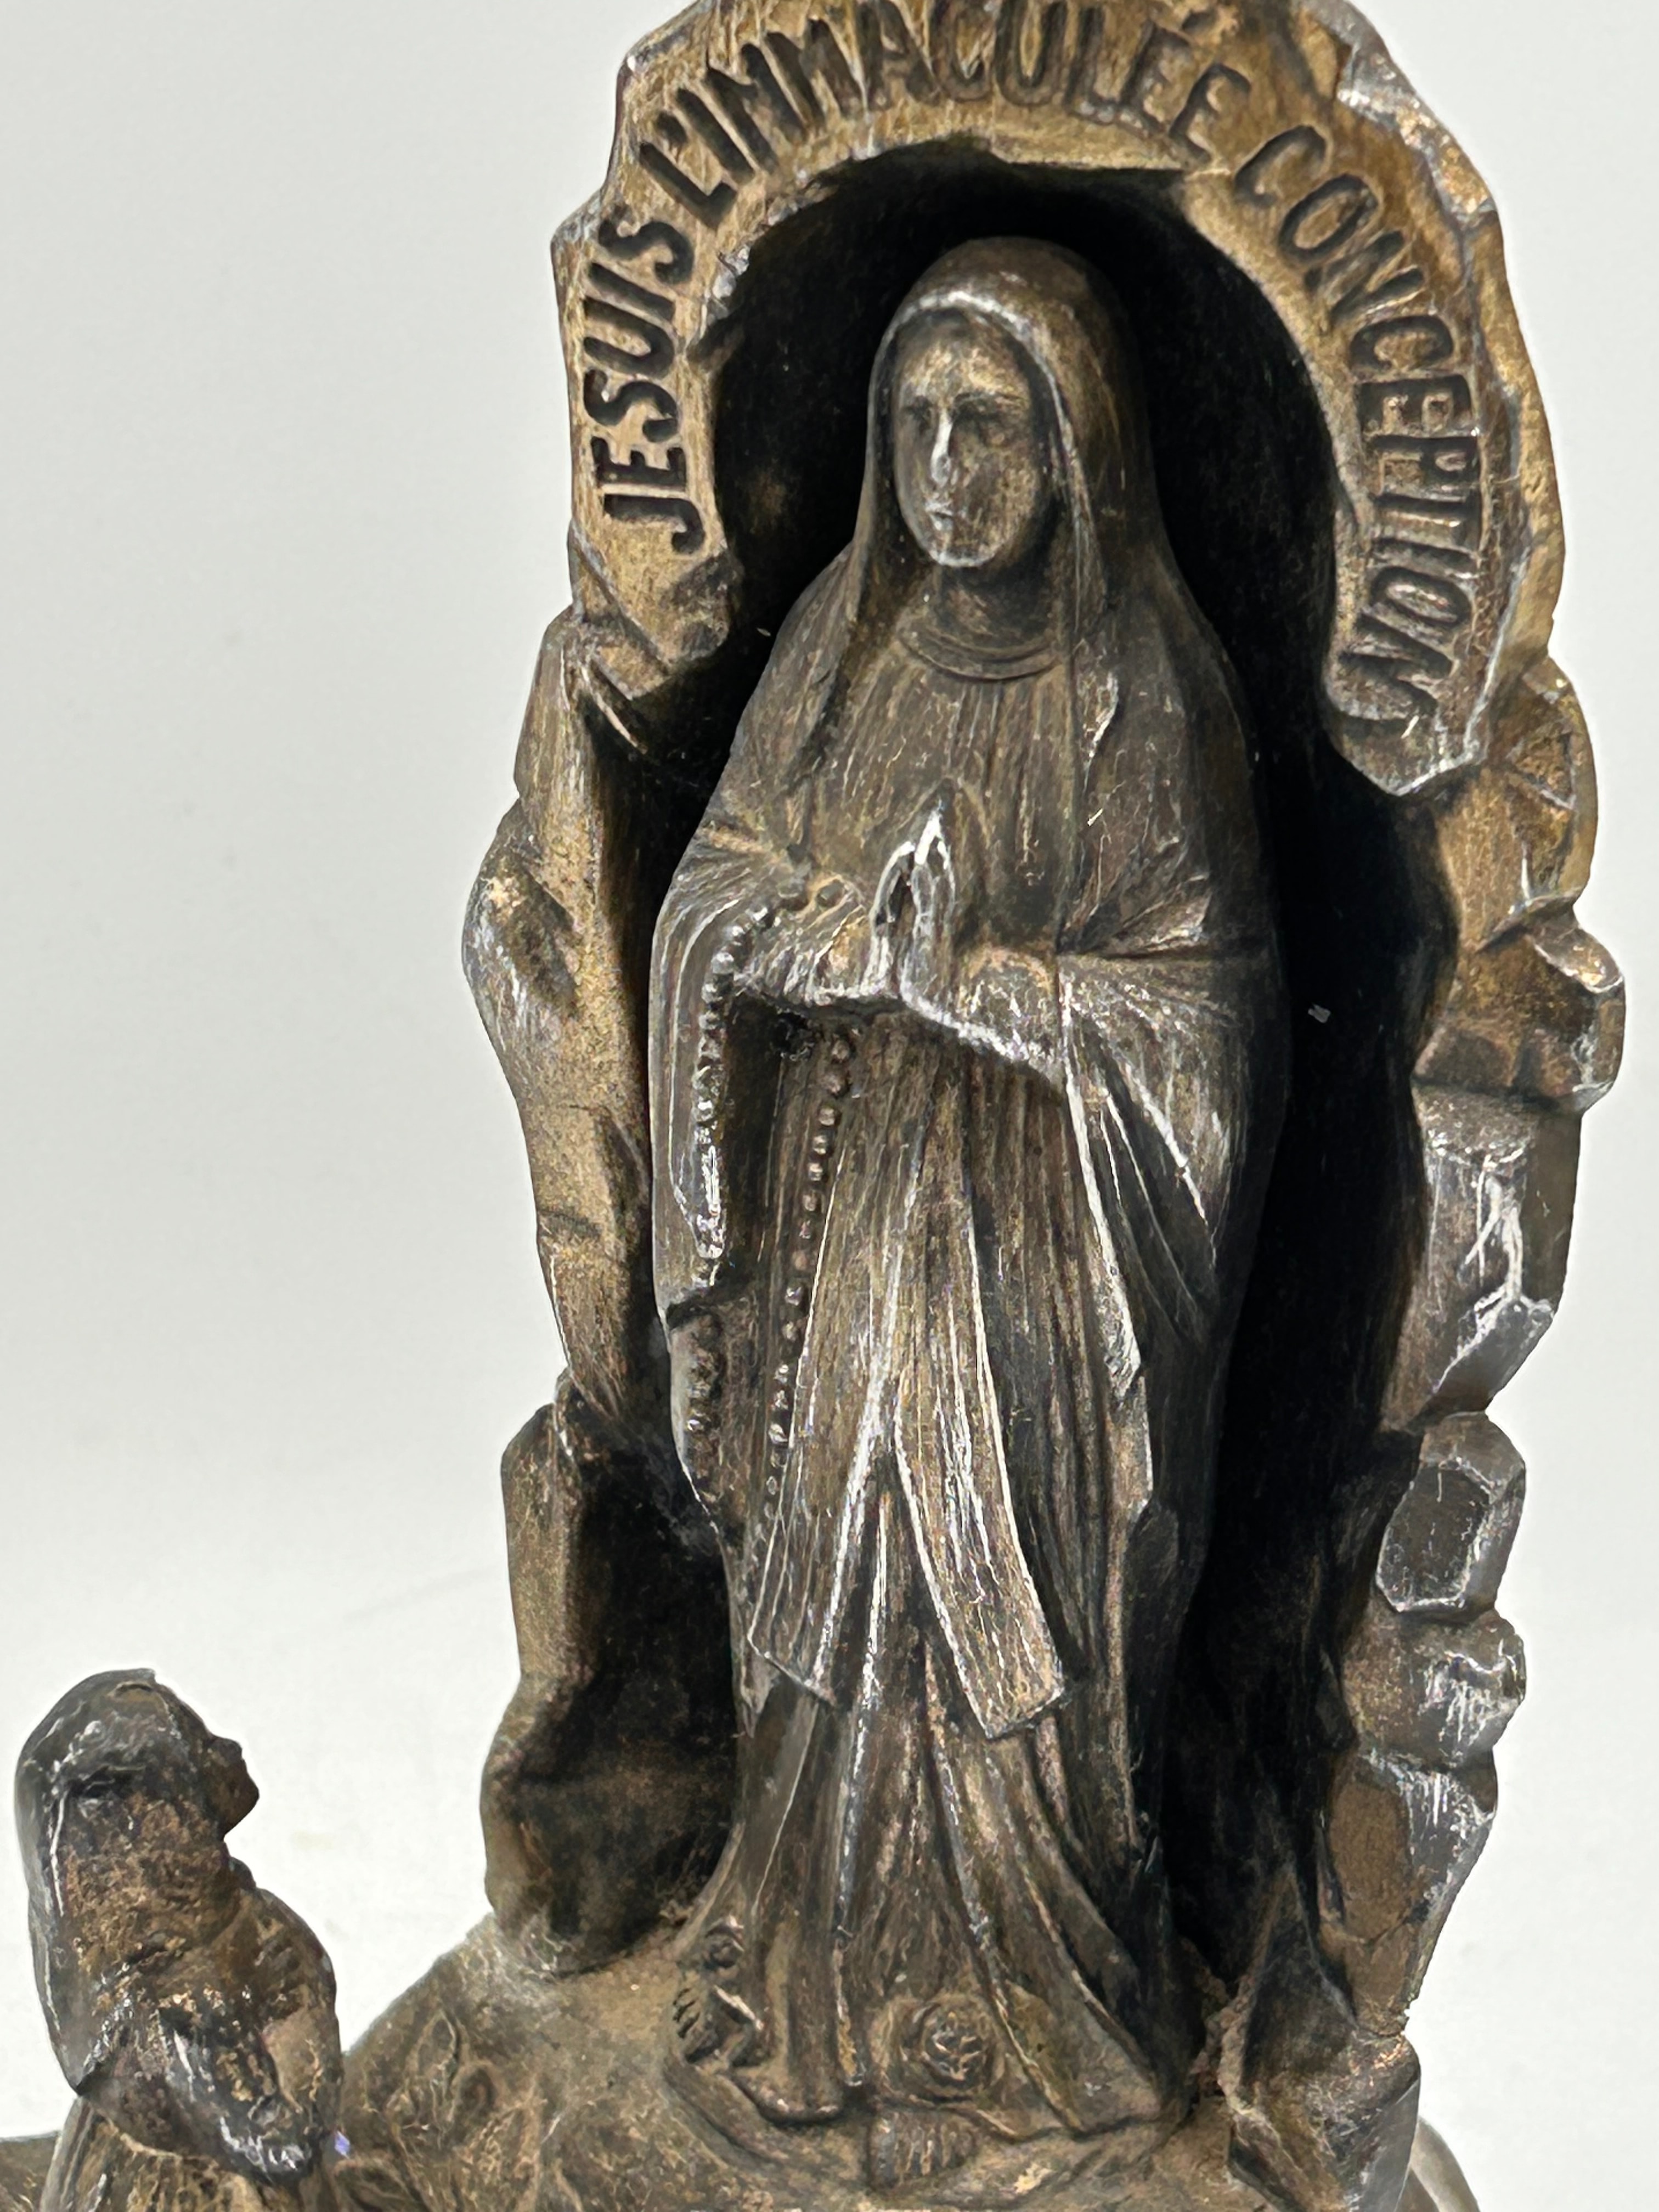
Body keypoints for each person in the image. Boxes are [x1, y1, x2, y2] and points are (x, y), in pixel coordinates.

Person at [650, 239, 1286, 2190]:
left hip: (1034, 1267)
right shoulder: (840, 647)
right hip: (846, 1221)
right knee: (831, 1589)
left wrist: (1000, 994)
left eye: (990, 425)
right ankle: (814, 1990)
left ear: (1076, 444)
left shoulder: (1139, 696)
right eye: (915, 421)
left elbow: (1209, 1024)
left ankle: (1025, 2020)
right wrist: (822, 944)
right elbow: (710, 899)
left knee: (1004, 1619)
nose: (946, 466)